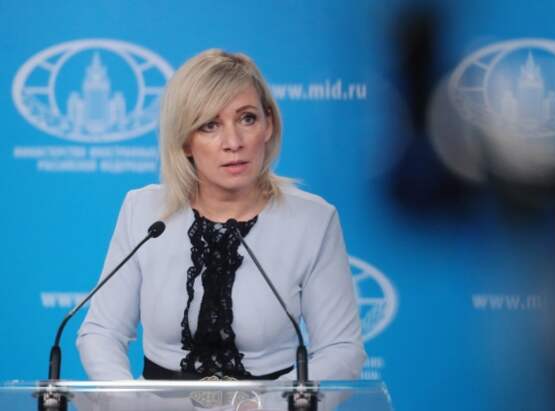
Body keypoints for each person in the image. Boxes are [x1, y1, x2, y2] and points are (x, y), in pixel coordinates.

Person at [76, 49, 366, 382]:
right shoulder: (143, 211)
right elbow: (102, 332)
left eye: (247, 119)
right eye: (210, 125)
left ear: (269, 125)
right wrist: (130, 401)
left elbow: (342, 350)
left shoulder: (312, 220)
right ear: (185, 141)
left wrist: (268, 403)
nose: (233, 142)